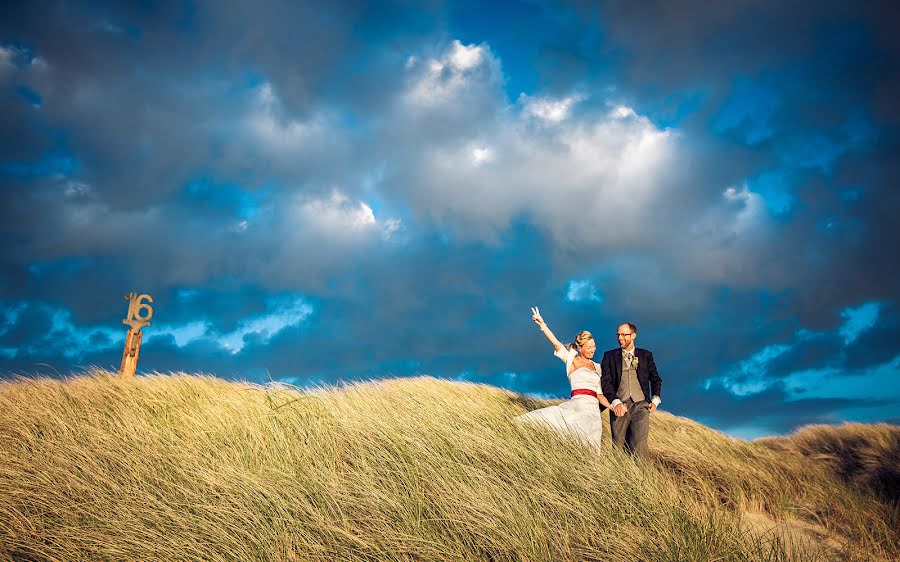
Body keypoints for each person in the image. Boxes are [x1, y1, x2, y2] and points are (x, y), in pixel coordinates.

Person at [516, 307, 614, 448]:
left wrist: (612, 406)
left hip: (593, 412)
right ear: (580, 348)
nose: (593, 349)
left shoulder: (598, 367)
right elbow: (556, 344)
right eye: (589, 347)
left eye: (594, 346)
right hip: (577, 406)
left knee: (591, 448)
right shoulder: (571, 360)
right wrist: (543, 325)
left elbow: (599, 394)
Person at [599, 322, 662, 458]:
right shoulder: (609, 356)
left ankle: (642, 477)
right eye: (618, 335)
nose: (620, 338)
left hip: (641, 405)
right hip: (619, 406)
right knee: (618, 447)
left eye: (624, 334)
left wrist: (655, 399)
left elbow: (656, 379)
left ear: (633, 335)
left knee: (639, 445)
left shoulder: (646, 355)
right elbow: (606, 382)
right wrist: (615, 402)